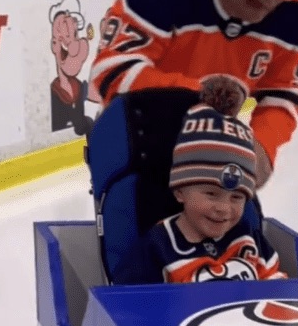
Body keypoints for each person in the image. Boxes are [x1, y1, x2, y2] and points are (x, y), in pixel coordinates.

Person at [89, 0, 298, 191]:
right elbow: (111, 73)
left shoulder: (293, 10)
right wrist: (203, 98)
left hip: (212, 155)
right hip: (134, 146)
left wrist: (263, 146)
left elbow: (283, 93)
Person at [110, 102, 286, 285]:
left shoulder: (249, 237)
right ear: (180, 192)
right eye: (211, 194)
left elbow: (277, 286)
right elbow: (128, 304)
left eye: (236, 197)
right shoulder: (156, 248)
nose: (224, 209)